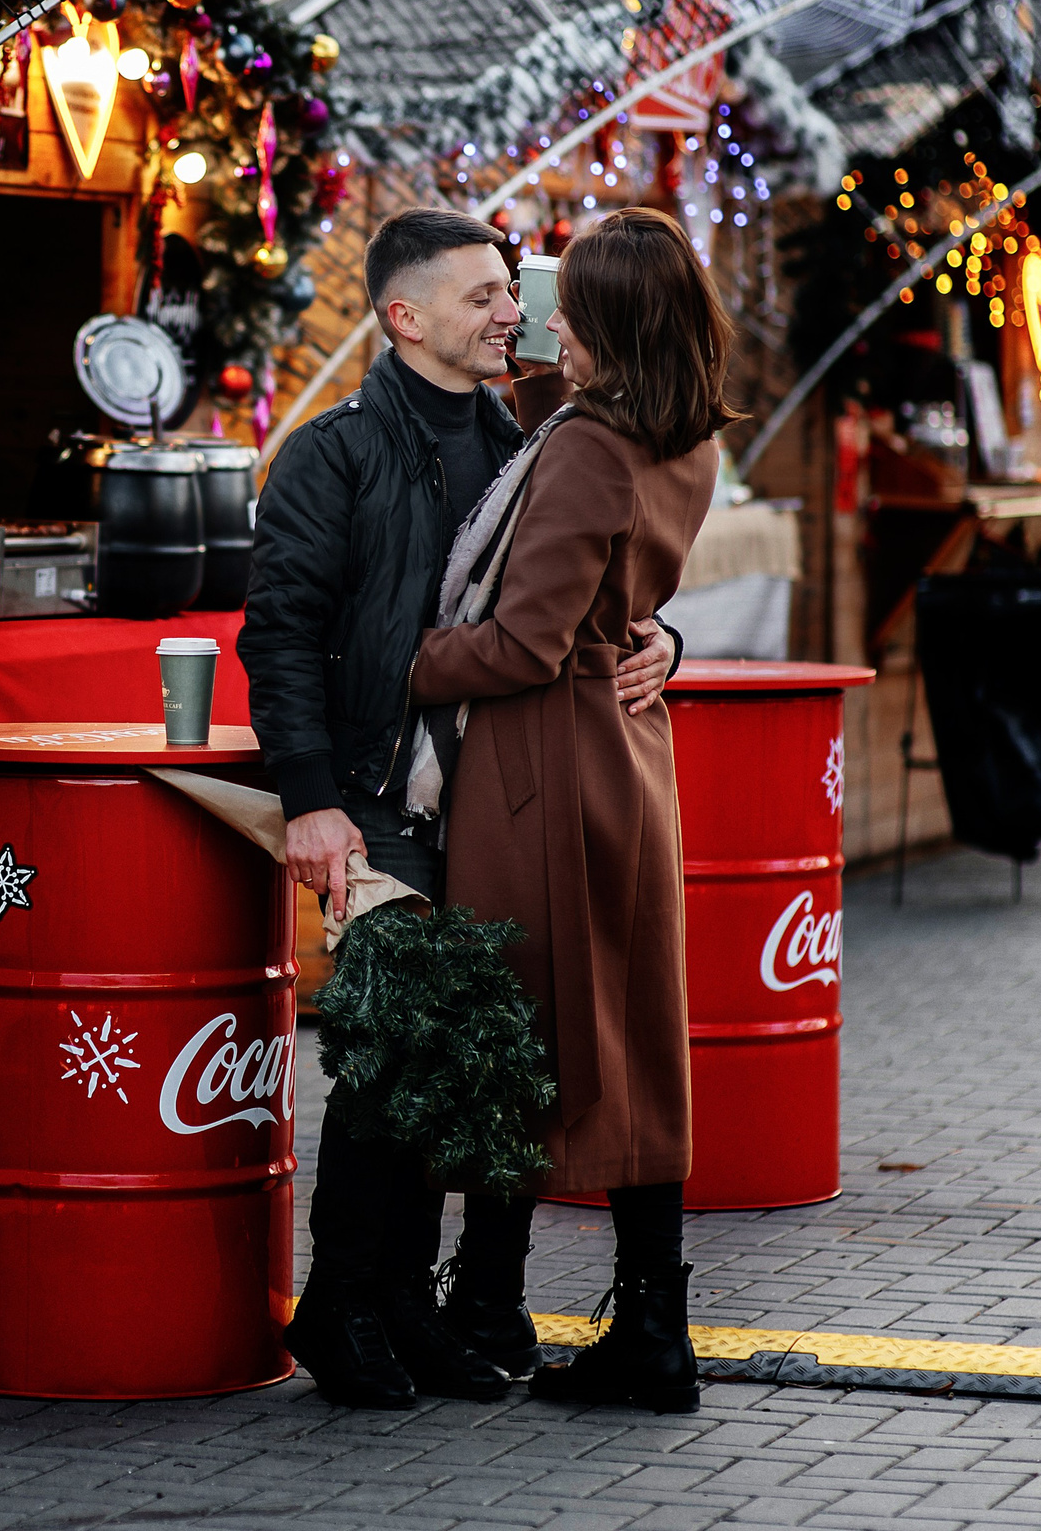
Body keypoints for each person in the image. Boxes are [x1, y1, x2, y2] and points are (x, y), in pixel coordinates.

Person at [240, 208, 680, 1410]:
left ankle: (404, 1301)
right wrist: (311, 801)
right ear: (404, 316)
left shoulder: (521, 438)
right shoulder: (331, 453)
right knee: (391, 1056)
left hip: (490, 796)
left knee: (458, 1062)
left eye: (511, 291)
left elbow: (595, 583)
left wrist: (662, 641)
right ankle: (340, 1301)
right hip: (378, 794)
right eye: (484, 294)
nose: (512, 312)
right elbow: (276, 634)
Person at [406, 205, 733, 1413]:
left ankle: (489, 1303)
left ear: (611, 329)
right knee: (631, 1036)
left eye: (568, 312)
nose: (547, 325)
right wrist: (663, 640)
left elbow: (525, 641)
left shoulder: (589, 446)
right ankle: (650, 1317)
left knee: (516, 1030)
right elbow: (615, 591)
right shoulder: (679, 435)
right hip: (627, 756)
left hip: (542, 766)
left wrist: (402, 661)